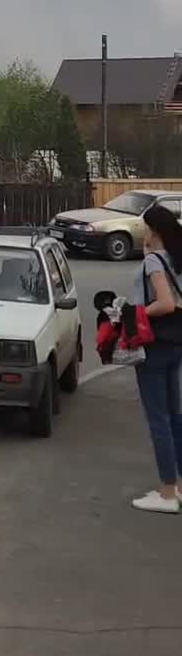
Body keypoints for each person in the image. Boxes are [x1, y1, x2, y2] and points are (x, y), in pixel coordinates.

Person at [131, 202, 182, 514]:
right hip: (176, 343)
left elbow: (163, 303)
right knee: (175, 417)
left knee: (158, 419)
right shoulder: (176, 260)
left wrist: (136, 316)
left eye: (146, 227)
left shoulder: (153, 261)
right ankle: (178, 487)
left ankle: (165, 492)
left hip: (154, 346)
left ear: (155, 230)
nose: (143, 232)